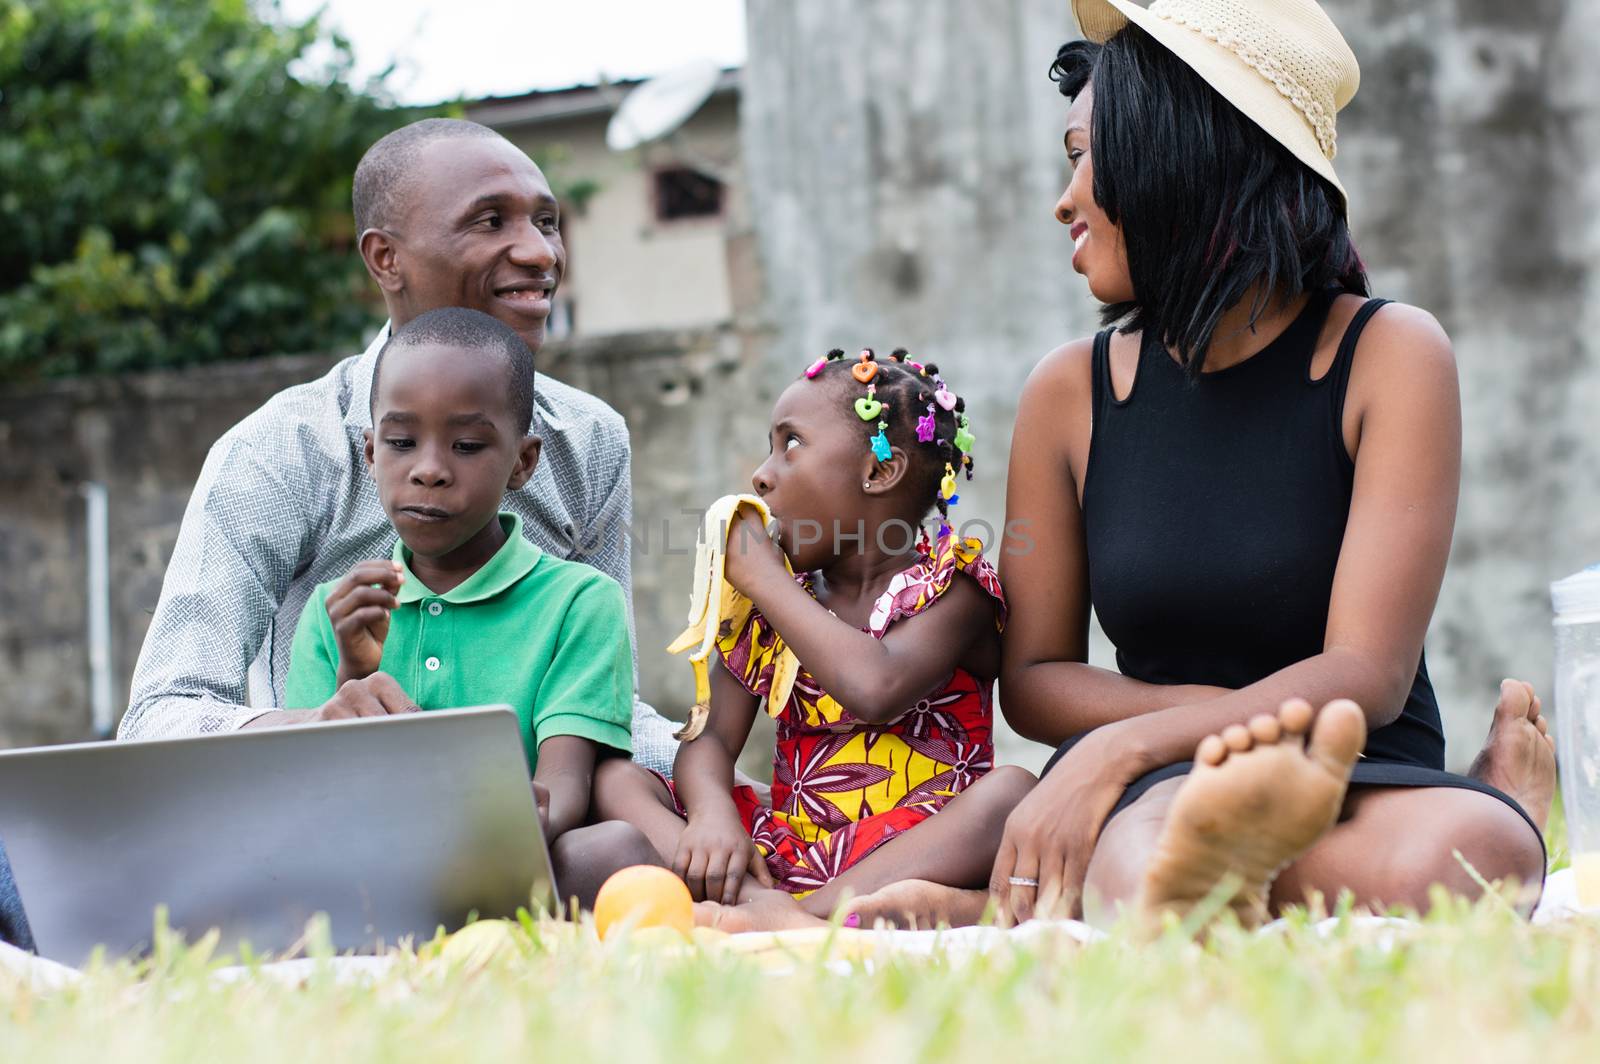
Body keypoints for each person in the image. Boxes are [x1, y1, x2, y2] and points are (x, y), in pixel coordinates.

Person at [852, 0, 1557, 931]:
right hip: (1154, 779)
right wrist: (1154, 742)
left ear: (1184, 154)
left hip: (1354, 768)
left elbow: (1365, 673)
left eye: (1084, 155)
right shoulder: (1070, 392)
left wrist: (1127, 742)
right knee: (1152, 859)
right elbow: (1036, 677)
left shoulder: (1389, 355)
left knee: (1484, 856)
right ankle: (1126, 887)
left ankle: (1017, 902)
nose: (1065, 199)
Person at [117, 117, 677, 764]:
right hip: (338, 825)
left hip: (542, 832)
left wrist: (722, 786)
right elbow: (163, 714)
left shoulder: (587, 439)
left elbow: (607, 706)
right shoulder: (280, 450)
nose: (540, 253)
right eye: (490, 221)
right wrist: (319, 724)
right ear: (387, 259)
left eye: (546, 222)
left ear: (523, 462)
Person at [595, 348, 1033, 930]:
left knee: (1012, 796)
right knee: (618, 779)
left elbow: (875, 686)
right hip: (792, 850)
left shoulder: (952, 586)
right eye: (768, 448)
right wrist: (711, 813)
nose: (762, 474)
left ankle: (793, 917)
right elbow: (711, 739)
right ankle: (765, 902)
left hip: (915, 849)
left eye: (791, 445)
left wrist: (764, 579)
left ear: (879, 472)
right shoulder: (776, 598)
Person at [282, 307, 649, 907]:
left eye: (468, 445)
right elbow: (317, 797)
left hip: (511, 859)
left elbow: (567, 781)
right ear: (371, 452)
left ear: (523, 463)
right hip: (369, 865)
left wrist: (507, 823)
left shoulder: (580, 602)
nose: (429, 470)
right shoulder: (337, 610)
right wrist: (356, 676)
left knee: (613, 853)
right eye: (401, 442)